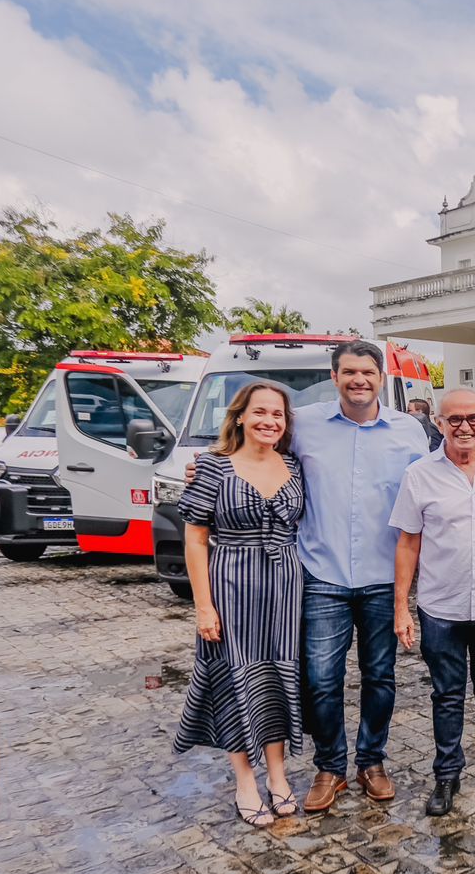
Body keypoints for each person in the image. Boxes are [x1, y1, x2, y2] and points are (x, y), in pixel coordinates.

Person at [294, 340, 430, 813]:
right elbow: (253, 446)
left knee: (380, 677)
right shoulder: (302, 424)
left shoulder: (410, 431)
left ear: (381, 378)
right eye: (349, 372)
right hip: (321, 571)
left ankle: (372, 761)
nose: (359, 380)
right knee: (321, 680)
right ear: (334, 377)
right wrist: (208, 463)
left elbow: (429, 489)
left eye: (368, 372)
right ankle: (330, 766)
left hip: (382, 575)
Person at [391, 389, 475, 815]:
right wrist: (401, 607)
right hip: (441, 608)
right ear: (438, 422)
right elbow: (408, 543)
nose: (464, 427)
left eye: (473, 418)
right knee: (446, 695)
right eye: (454, 420)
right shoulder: (419, 474)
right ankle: (447, 776)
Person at [175, 383, 306, 827]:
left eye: (278, 414)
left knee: (275, 680)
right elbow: (194, 539)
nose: (270, 421)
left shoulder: (292, 464)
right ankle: (244, 781)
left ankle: (278, 774)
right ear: (239, 417)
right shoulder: (212, 468)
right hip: (232, 581)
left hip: (286, 586)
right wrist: (203, 606)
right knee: (235, 681)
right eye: (261, 412)